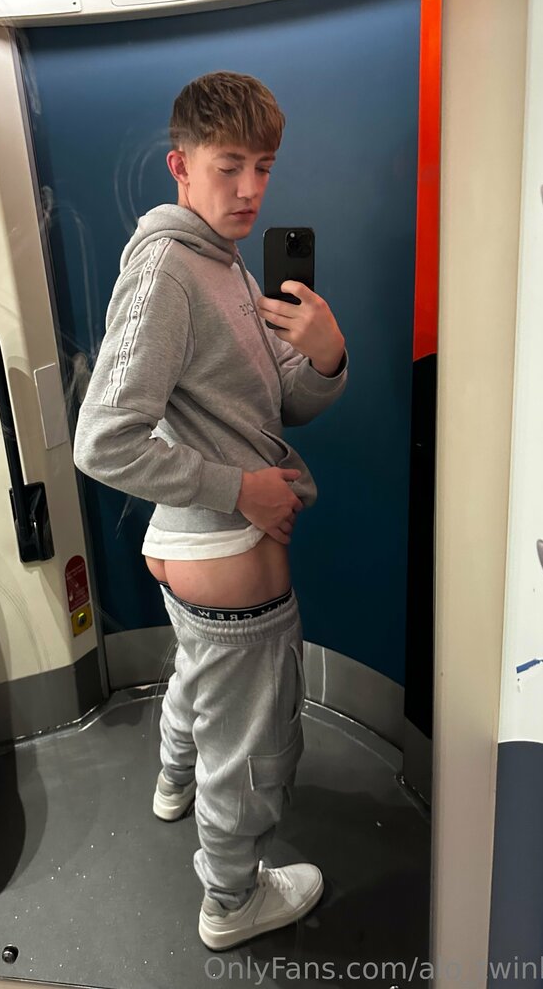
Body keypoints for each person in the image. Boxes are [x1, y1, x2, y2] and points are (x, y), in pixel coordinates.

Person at [72, 70, 348, 950]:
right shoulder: (169, 270)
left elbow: (267, 405)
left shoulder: (221, 262)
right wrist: (242, 489)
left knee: (201, 685)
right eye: (229, 166)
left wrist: (325, 357)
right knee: (255, 748)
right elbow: (102, 442)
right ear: (180, 165)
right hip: (222, 549)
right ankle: (231, 903)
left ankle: (172, 778)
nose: (251, 189)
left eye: (264, 167)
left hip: (196, 554)